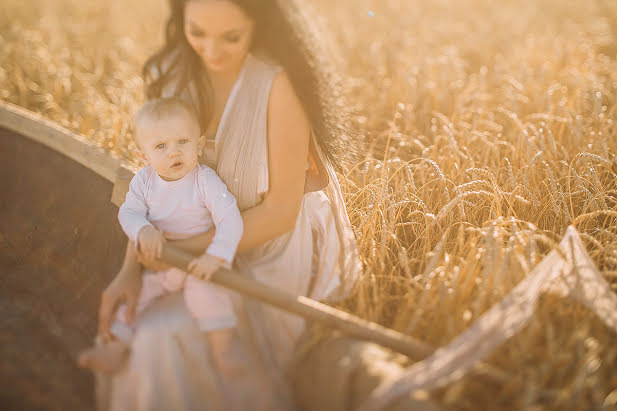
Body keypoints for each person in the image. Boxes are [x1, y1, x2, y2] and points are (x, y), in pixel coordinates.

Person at [80, 0, 362, 409]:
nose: (211, 50)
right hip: (182, 241)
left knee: (163, 332)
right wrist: (130, 270)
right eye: (198, 33)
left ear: (258, 24)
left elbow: (280, 214)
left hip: (264, 252)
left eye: (231, 37)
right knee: (136, 329)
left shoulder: (277, 84)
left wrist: (182, 252)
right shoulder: (170, 72)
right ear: (181, 19)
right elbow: (153, 188)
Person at [78, 97, 244, 378]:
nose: (174, 153)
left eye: (183, 141)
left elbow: (231, 219)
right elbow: (129, 213)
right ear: (145, 156)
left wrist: (216, 257)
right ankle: (113, 350)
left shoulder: (205, 180)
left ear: (199, 145)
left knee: (207, 296)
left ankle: (222, 351)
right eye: (161, 146)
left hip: (198, 261)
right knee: (137, 298)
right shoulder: (143, 182)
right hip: (162, 265)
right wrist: (143, 229)